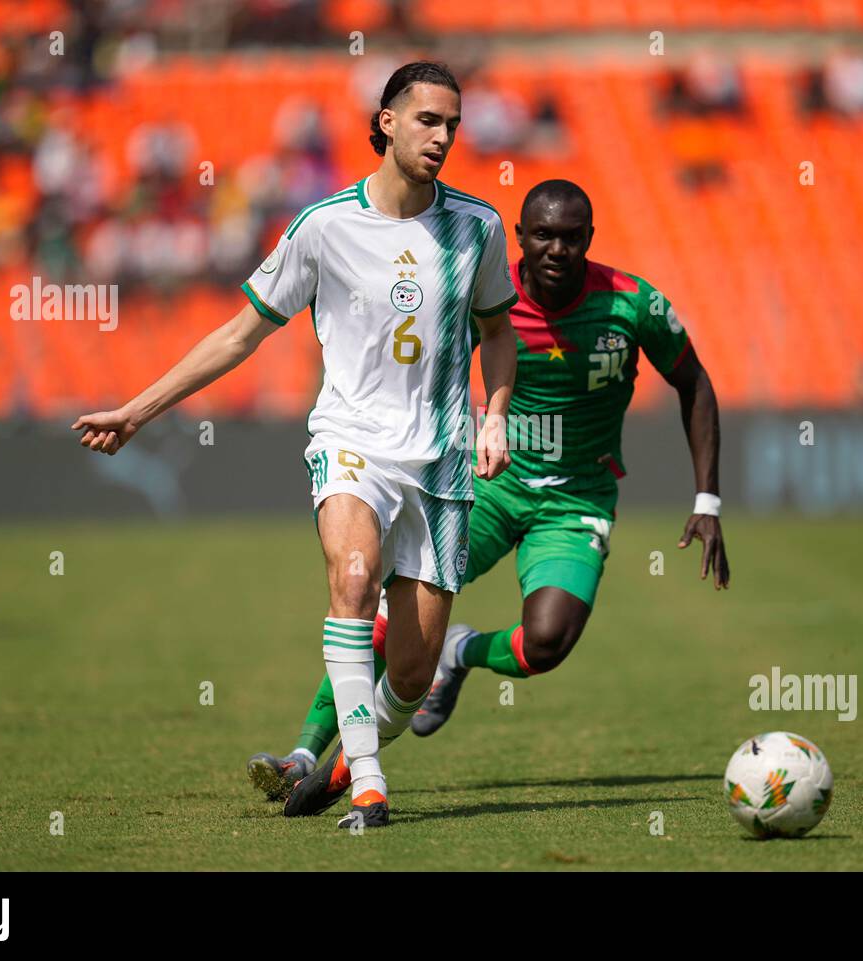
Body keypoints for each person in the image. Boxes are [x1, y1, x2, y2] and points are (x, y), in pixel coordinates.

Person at [74, 61, 519, 829]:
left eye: (452, 123)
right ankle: (371, 784)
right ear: (385, 121)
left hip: (441, 456)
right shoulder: (324, 226)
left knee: (412, 670)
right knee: (353, 575)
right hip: (351, 442)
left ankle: (343, 758)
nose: (442, 136)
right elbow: (241, 332)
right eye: (427, 120)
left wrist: (497, 413)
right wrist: (139, 409)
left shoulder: (477, 225)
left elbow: (498, 329)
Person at [260, 179, 730, 819]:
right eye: (543, 235)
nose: (557, 248)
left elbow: (694, 382)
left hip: (575, 500)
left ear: (590, 238)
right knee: (383, 612)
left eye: (571, 236)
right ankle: (306, 754)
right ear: (521, 238)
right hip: (486, 486)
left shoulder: (632, 304)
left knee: (547, 643)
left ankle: (457, 653)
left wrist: (707, 502)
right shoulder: (487, 299)